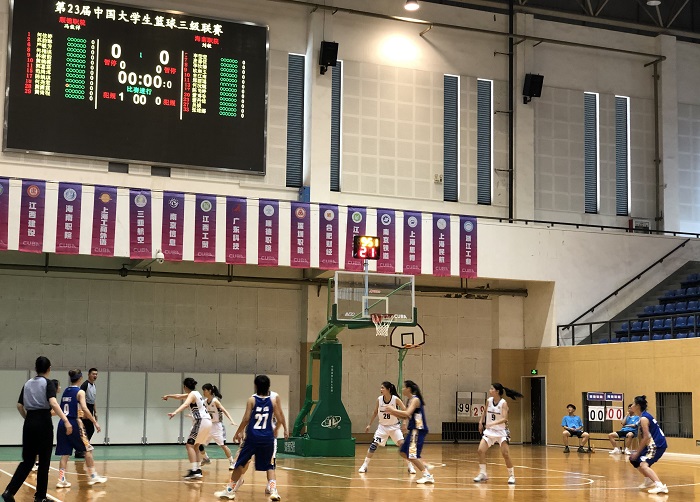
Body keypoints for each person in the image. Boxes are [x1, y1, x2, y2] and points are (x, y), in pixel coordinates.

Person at [2, 356, 72, 502]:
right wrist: (66, 420)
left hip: (29, 422)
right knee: (44, 462)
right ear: (49, 368)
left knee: (27, 461)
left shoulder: (27, 383)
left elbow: (19, 405)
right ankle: (40, 497)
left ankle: (9, 491)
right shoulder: (48, 383)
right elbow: (53, 402)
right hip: (43, 422)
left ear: (36, 368)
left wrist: (27, 418)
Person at [214, 374, 288, 500]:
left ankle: (229, 490)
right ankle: (274, 491)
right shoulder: (272, 401)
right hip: (268, 437)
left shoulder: (252, 400)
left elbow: (246, 418)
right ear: (268, 386)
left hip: (253, 437)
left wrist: (238, 432)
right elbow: (280, 418)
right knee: (270, 465)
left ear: (256, 386)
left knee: (240, 463)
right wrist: (277, 429)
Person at [55, 369, 107, 488]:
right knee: (88, 449)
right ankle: (93, 476)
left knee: (65, 454)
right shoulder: (80, 392)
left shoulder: (66, 391)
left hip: (63, 423)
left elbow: (64, 408)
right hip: (73, 423)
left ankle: (61, 480)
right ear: (80, 378)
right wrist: (95, 422)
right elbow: (84, 408)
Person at [358, 381, 415, 474]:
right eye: (380, 388)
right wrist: (369, 425)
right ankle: (364, 466)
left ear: (388, 389)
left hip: (394, 427)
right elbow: (375, 412)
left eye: (382, 388)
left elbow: (405, 410)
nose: (381, 389)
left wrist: (404, 423)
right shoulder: (379, 399)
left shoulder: (395, 399)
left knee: (402, 445)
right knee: (373, 446)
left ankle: (410, 466)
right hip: (382, 427)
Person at [384, 380, 434, 485]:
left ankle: (427, 475)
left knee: (411, 455)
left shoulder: (415, 400)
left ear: (409, 389)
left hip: (418, 430)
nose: (402, 389)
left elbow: (407, 413)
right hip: (413, 430)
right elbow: (405, 416)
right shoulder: (410, 400)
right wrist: (393, 413)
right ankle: (422, 463)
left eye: (404, 387)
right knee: (403, 452)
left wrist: (393, 410)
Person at [473, 383, 524, 485]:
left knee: (505, 454)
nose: (490, 390)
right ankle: (483, 473)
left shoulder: (503, 403)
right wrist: (480, 422)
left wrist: (492, 423)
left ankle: (511, 476)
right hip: (490, 432)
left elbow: (505, 418)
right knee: (480, 450)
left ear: (497, 391)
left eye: (491, 389)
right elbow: (484, 411)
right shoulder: (489, 401)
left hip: (501, 432)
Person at [164, 377, 213, 480]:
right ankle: (198, 470)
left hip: (200, 421)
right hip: (207, 422)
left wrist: (175, 412)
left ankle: (194, 470)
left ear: (185, 386)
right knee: (196, 446)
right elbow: (179, 396)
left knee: (189, 445)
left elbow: (186, 404)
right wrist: (169, 396)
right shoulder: (196, 393)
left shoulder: (192, 395)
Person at [630, 395, 668, 494]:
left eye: (633, 404)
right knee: (634, 460)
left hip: (656, 444)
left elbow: (647, 436)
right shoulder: (643, 416)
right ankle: (648, 481)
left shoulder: (644, 418)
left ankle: (660, 486)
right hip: (651, 444)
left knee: (643, 465)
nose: (631, 406)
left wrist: (638, 452)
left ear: (638, 406)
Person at [198, 383, 237, 470]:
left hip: (217, 426)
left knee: (223, 445)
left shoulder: (215, 401)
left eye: (204, 390)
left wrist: (232, 420)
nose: (203, 392)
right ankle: (206, 458)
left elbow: (224, 411)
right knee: (199, 443)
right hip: (208, 425)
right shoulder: (204, 402)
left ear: (209, 391)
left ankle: (232, 462)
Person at [31, 379, 61, 473]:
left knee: (39, 444)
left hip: (41, 421)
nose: (60, 388)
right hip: (42, 422)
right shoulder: (50, 397)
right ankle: (36, 463)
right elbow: (50, 412)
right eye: (59, 386)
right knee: (39, 444)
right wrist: (61, 413)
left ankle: (38, 463)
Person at [77, 368, 99, 457]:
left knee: (88, 430)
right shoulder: (85, 385)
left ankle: (83, 448)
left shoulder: (94, 385)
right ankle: (81, 449)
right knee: (87, 429)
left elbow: (93, 400)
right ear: (89, 374)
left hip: (90, 408)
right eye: (93, 374)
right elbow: (80, 399)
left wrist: (95, 412)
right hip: (84, 409)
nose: (95, 376)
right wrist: (82, 412)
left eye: (96, 374)